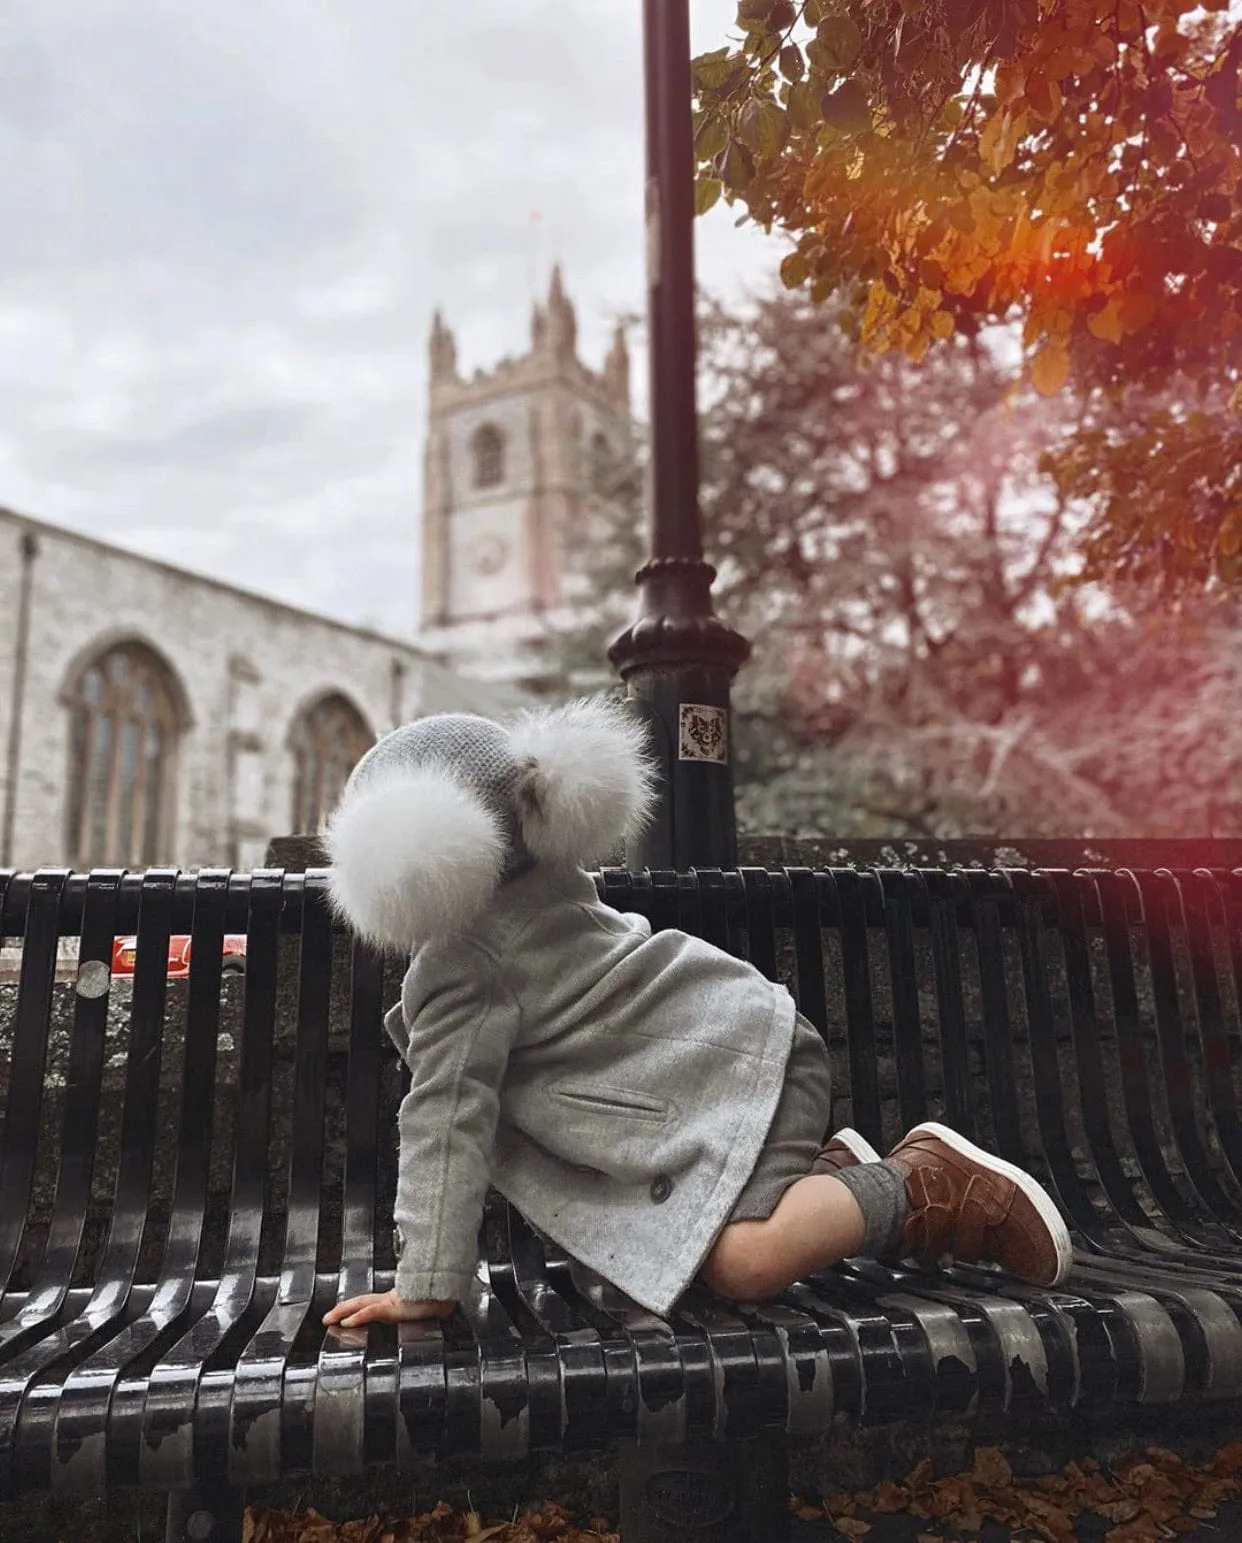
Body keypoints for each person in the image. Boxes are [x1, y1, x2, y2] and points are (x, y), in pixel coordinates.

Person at [320, 696, 1072, 1330]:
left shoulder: (465, 969)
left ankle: (929, 1183)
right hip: (734, 1057)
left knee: (742, 1264)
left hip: (745, 1072)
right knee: (681, 1265)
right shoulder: (552, 885)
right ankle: (833, 1179)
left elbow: (444, 1123)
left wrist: (426, 1285)